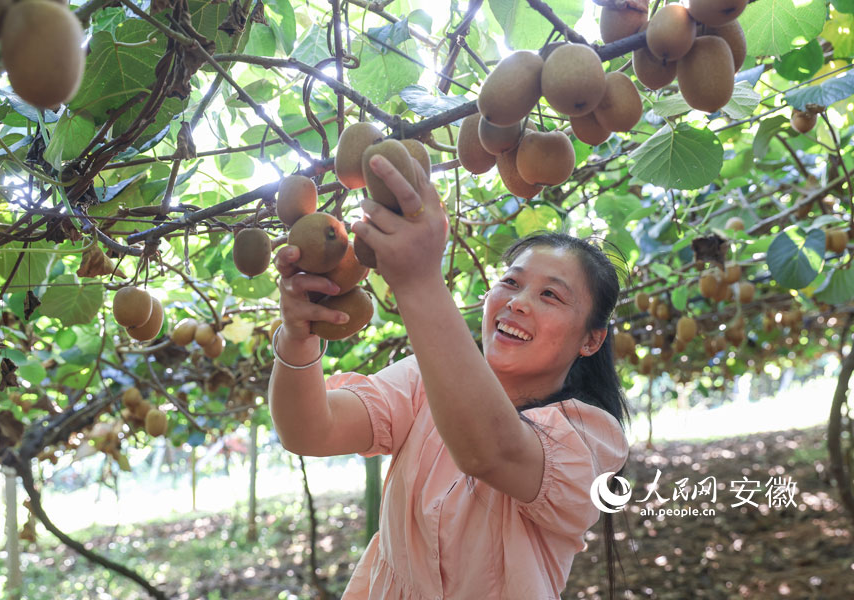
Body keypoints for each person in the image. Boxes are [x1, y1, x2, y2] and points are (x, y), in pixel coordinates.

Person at [269, 154, 630, 599]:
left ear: (590, 341)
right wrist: (297, 337)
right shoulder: (424, 380)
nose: (517, 302)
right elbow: (310, 430)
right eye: (511, 283)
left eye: (550, 295)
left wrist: (419, 279)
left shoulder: (593, 438)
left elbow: (491, 451)